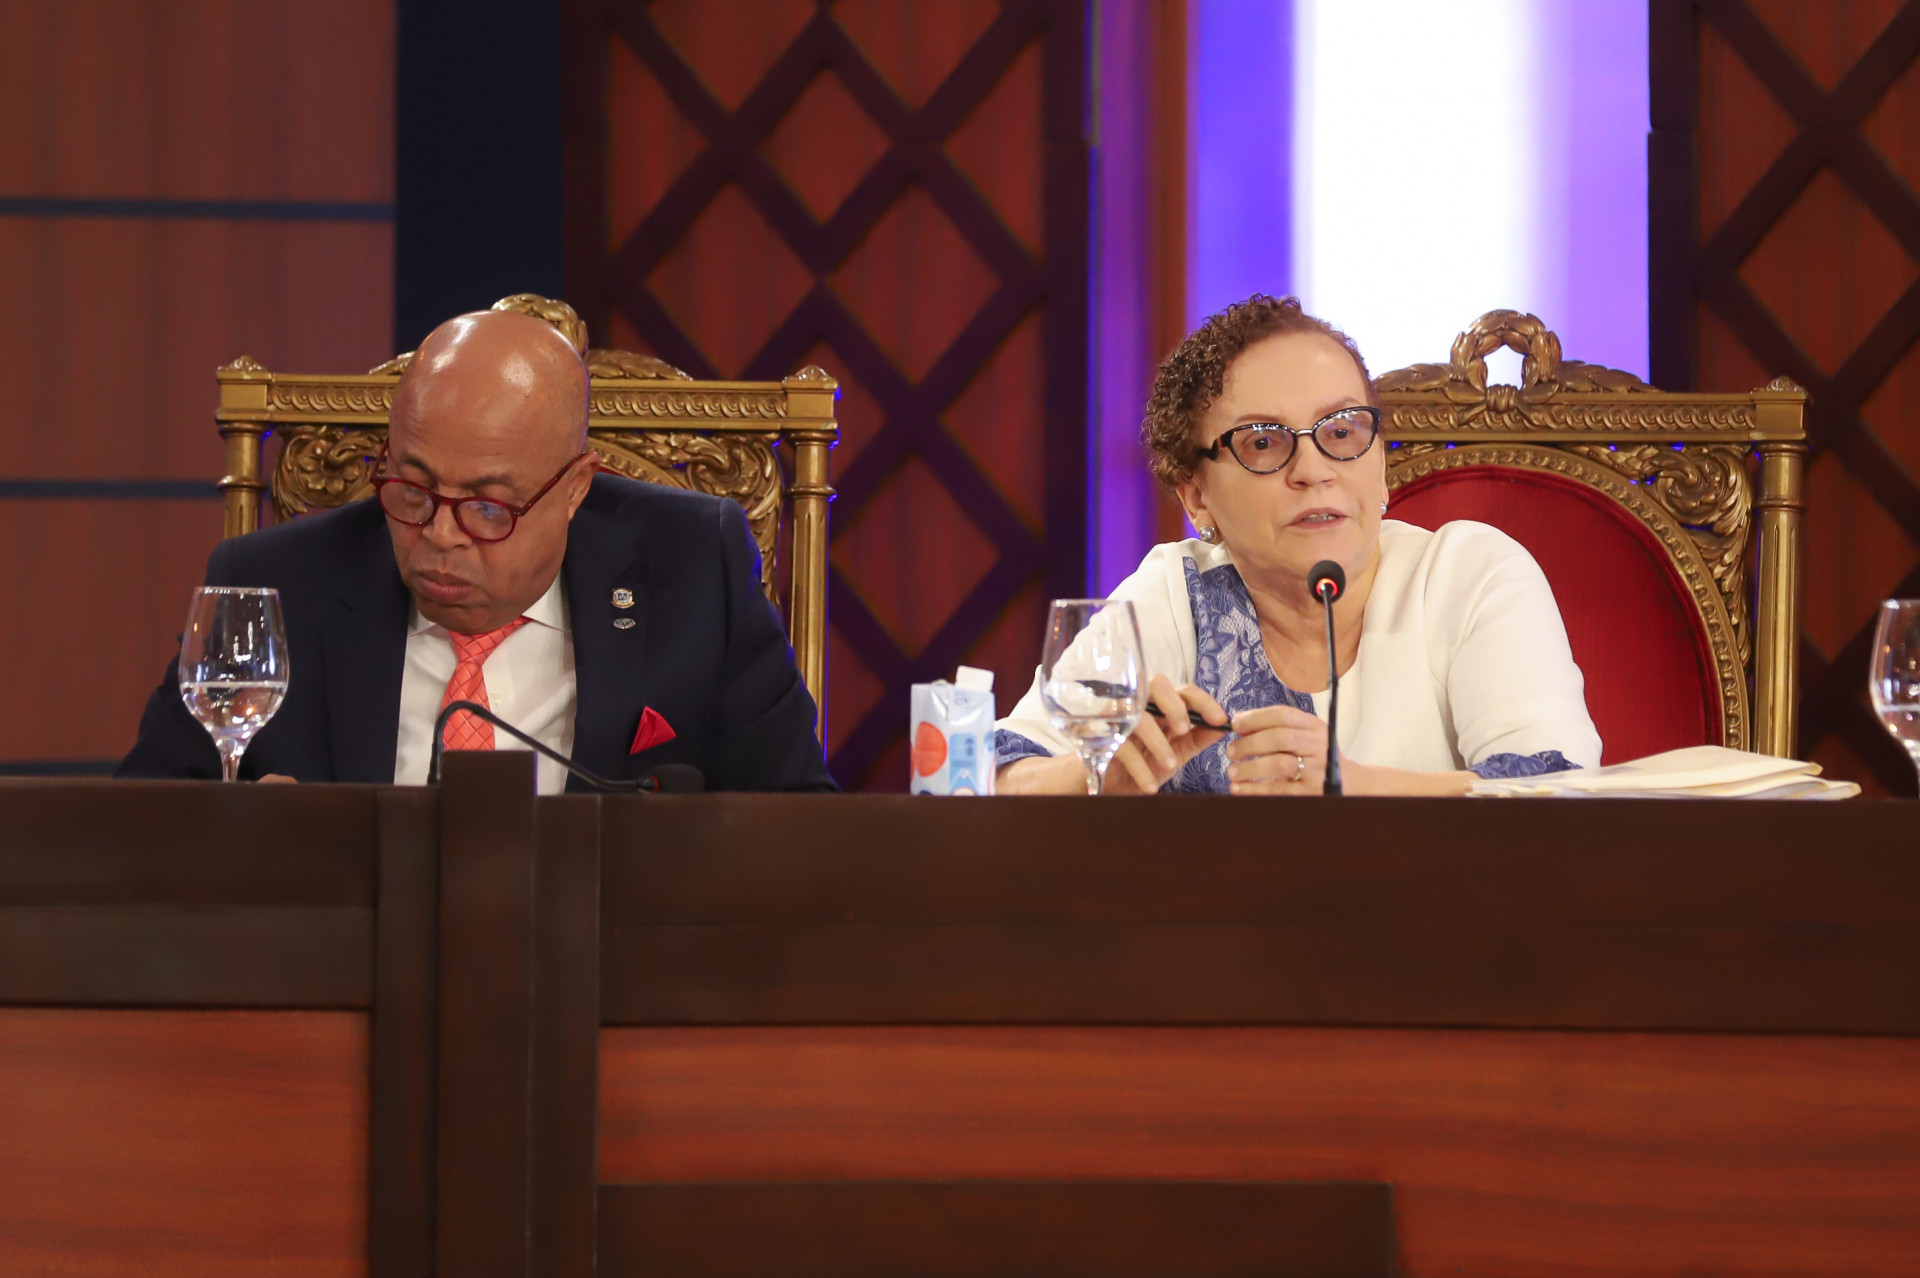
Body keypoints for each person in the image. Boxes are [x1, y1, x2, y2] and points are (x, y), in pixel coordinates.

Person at [120, 308, 835, 793]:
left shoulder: (692, 571)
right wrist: (236, 841)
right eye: (412, 491)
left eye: (488, 508)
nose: (440, 534)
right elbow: (138, 836)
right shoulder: (274, 584)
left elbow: (795, 829)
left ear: (575, 490)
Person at [996, 294, 1601, 796]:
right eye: (1263, 442)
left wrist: (1354, 787)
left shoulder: (1469, 574)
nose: (1313, 471)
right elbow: (991, 772)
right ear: (1197, 498)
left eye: (1341, 431)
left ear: (1379, 463)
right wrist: (1093, 775)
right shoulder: (1175, 595)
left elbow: (1561, 793)